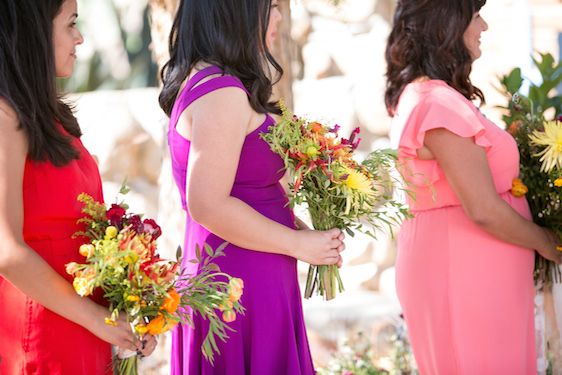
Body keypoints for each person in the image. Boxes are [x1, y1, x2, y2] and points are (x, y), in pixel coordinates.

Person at [159, 0, 345, 373]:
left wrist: (307, 235)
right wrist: (297, 244)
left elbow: (246, 192)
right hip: (239, 287)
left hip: (245, 277)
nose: (279, 17)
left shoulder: (215, 84)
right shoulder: (221, 92)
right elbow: (208, 204)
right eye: (272, 6)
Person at [385, 0, 562, 373]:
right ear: (447, 24)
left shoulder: (436, 97)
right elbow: (482, 208)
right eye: (475, 15)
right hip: (464, 273)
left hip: (477, 272)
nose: (484, 27)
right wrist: (549, 241)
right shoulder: (436, 103)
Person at [0, 1, 156, 373]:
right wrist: (95, 318)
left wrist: (129, 310)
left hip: (82, 325)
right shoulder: (5, 118)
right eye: (70, 24)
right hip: (43, 331)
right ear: (35, 32)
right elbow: (5, 249)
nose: (80, 37)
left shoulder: (51, 118)